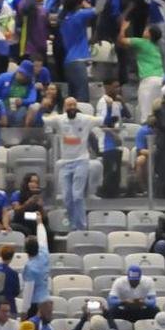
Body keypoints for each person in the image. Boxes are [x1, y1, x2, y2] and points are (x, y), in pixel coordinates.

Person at [42, 96, 98, 231]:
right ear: (64, 108)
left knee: (77, 195)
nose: (71, 107)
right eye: (69, 105)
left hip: (81, 161)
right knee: (67, 197)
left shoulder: (85, 119)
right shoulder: (59, 119)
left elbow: (101, 120)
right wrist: (44, 107)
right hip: (65, 163)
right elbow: (43, 120)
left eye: (74, 105)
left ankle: (81, 227)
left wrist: (109, 106)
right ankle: (73, 224)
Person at [18, 220, 50, 317]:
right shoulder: (44, 254)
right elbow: (43, 238)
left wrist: (24, 310)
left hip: (35, 304)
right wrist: (40, 223)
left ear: (26, 250)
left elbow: (28, 290)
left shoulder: (30, 268)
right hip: (46, 301)